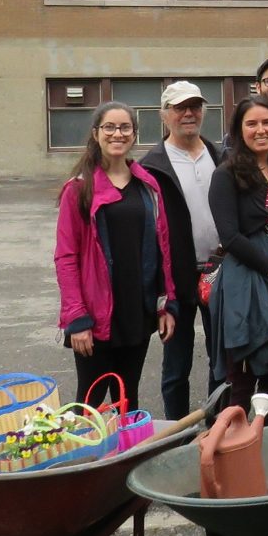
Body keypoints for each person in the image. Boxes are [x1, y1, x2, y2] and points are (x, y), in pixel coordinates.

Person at [55, 101, 178, 411]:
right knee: (90, 402)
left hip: (136, 311)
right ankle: (88, 458)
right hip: (95, 318)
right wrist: (76, 318)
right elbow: (66, 257)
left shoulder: (147, 186)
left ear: (134, 134)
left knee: (128, 398)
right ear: (96, 133)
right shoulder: (79, 190)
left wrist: (166, 304)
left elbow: (163, 248)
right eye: (109, 127)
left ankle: (128, 457)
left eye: (125, 127)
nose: (117, 134)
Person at [208, 96, 268, 419]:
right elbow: (230, 236)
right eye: (251, 123)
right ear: (239, 130)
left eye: (267, 123)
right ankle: (236, 454)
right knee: (243, 379)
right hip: (248, 285)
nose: (260, 130)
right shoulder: (226, 175)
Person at [141, 80, 223, 420]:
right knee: (177, 363)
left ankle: (219, 422)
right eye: (179, 107)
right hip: (176, 277)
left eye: (195, 106)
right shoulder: (151, 166)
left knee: (222, 358)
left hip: (218, 270)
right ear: (165, 115)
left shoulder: (219, 154)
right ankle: (176, 432)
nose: (188, 113)